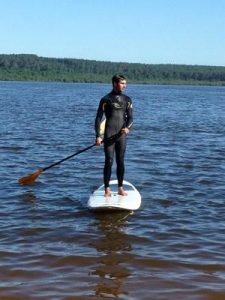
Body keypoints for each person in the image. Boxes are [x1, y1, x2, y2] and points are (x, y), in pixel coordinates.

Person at [95, 74, 133, 197]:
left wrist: (127, 128)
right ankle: (107, 189)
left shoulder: (127, 99)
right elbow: (98, 119)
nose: (124, 86)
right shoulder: (105, 99)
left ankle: (120, 188)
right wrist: (98, 136)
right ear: (114, 84)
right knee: (109, 161)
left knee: (120, 161)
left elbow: (131, 118)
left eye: (125, 83)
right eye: (122, 83)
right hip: (109, 135)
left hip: (121, 135)